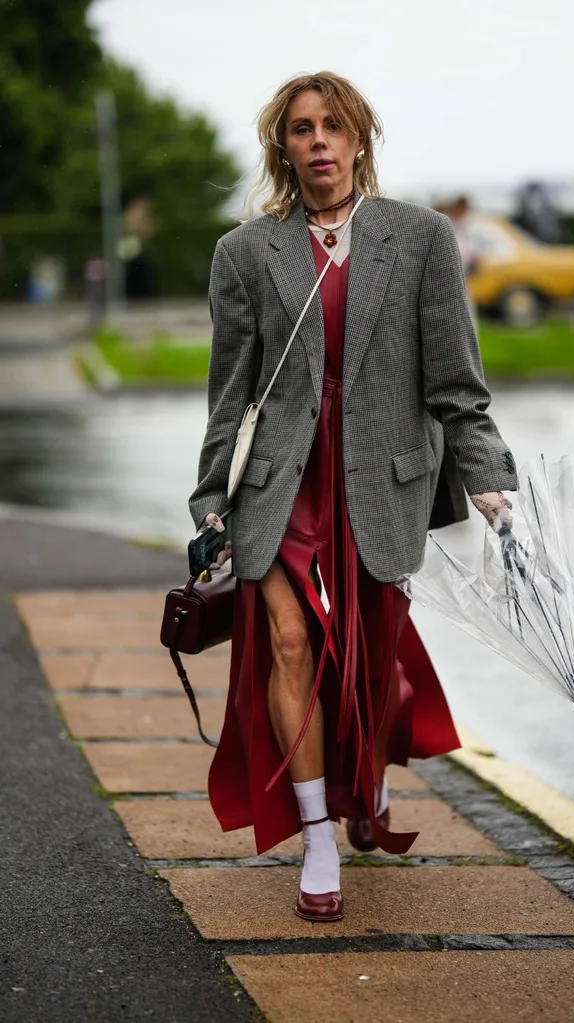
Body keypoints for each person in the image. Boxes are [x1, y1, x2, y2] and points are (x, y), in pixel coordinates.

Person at [189, 71, 517, 923]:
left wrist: (487, 477)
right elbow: (231, 392)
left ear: (360, 138)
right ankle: (318, 836)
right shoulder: (244, 252)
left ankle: (364, 777)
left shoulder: (419, 239)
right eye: (302, 129)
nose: (320, 141)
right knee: (290, 642)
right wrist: (211, 502)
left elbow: (456, 382)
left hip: (382, 478)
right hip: (282, 483)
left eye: (334, 126)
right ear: (284, 147)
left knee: (368, 657)